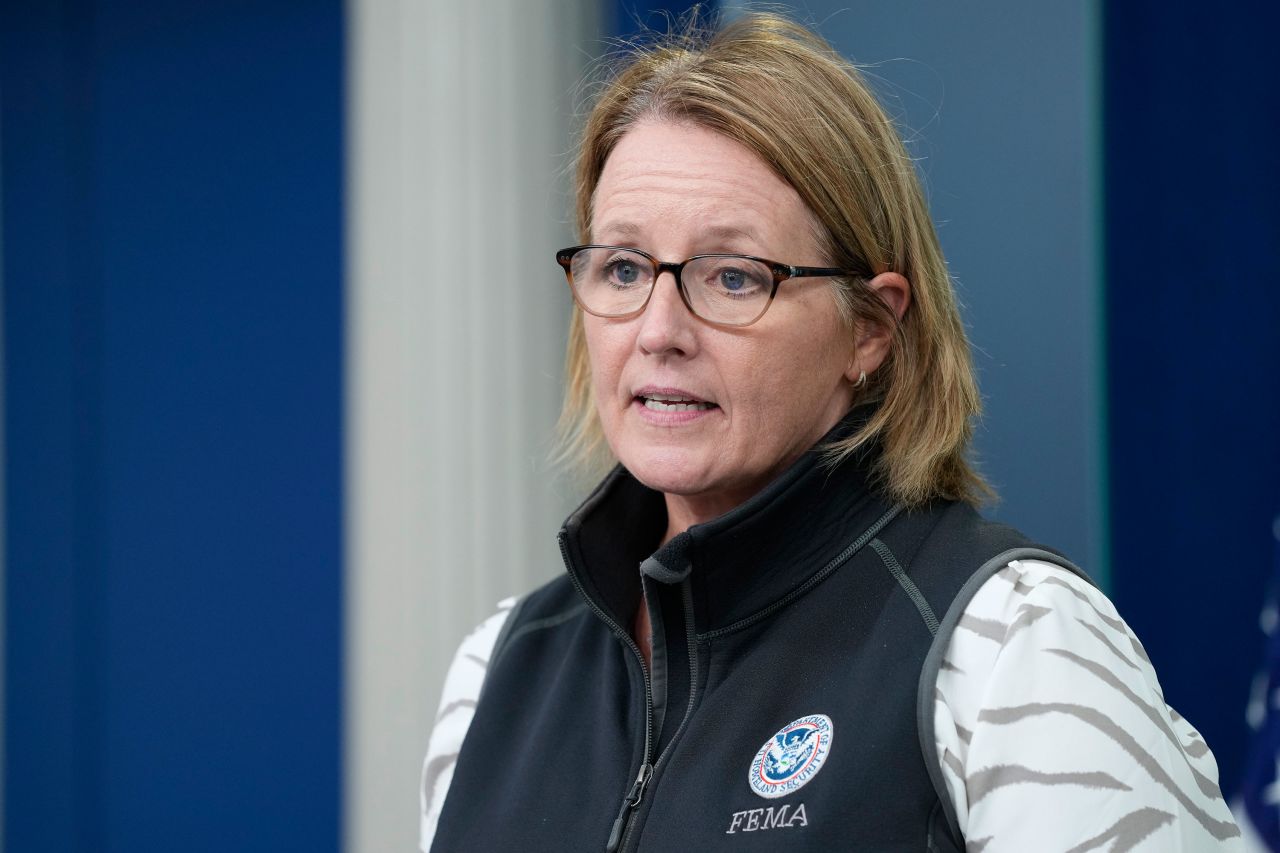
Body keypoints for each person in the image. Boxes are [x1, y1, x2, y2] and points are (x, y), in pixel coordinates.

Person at [420, 12, 1241, 852]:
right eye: (624, 268)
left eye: (733, 276)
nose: (658, 328)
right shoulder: (497, 670)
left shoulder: (1009, 645)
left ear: (869, 328)